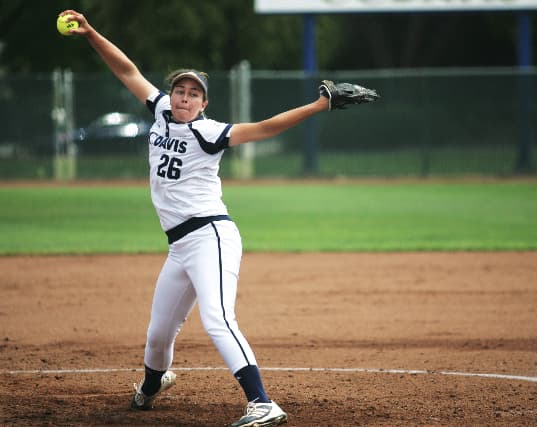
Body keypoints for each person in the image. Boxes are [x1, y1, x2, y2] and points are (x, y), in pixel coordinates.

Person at [59, 9, 333, 427]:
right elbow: (127, 70)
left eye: (193, 94)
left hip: (211, 236)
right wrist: (91, 32)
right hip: (179, 246)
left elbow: (265, 128)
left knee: (217, 318)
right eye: (179, 90)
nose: (184, 98)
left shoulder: (209, 132)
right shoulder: (159, 111)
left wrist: (318, 105)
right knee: (158, 333)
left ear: (204, 104)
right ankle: (153, 385)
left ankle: (262, 402)